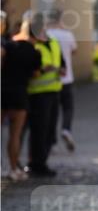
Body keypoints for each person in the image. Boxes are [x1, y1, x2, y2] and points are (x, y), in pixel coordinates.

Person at [1, 13, 41, 180]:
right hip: (20, 94)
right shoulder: (34, 52)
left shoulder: (9, 46)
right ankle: (12, 168)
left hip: (3, 91)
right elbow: (36, 74)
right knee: (15, 134)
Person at [24, 11, 62, 178]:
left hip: (54, 91)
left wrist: (61, 69)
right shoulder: (32, 45)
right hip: (38, 94)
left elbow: (61, 61)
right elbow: (31, 70)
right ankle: (36, 164)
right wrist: (43, 69)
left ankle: (42, 161)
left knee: (50, 130)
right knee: (39, 130)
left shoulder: (53, 42)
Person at [46, 9, 77, 151]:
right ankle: (66, 129)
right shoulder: (67, 34)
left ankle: (51, 141)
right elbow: (73, 51)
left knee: (53, 112)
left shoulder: (47, 35)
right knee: (68, 108)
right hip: (67, 78)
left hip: (51, 80)